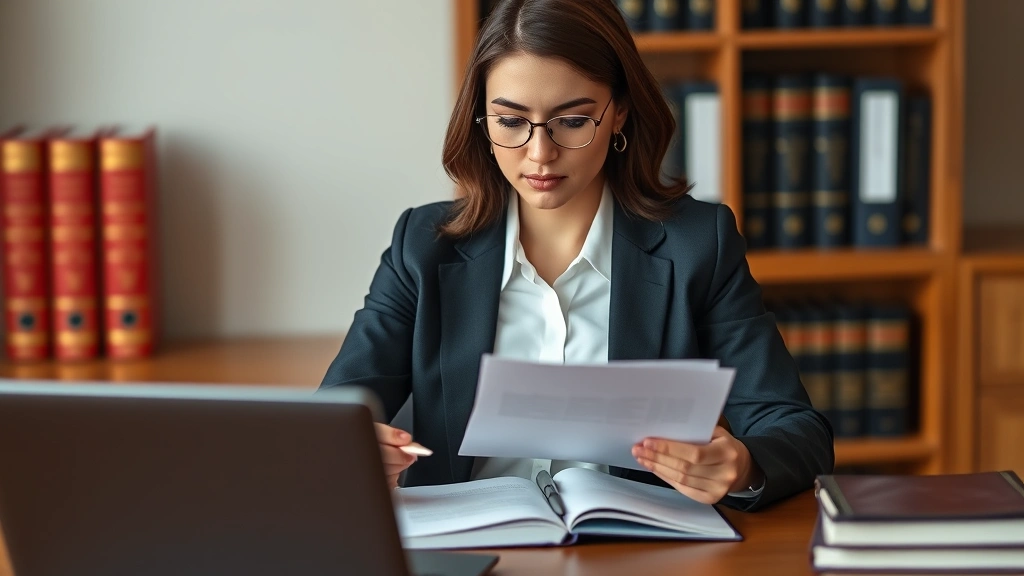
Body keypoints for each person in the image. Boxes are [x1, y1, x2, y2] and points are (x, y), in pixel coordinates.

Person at [320, 0, 833, 512]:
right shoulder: (424, 245)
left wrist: (741, 464)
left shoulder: (697, 245)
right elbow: (333, 416)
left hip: (634, 554)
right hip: (470, 551)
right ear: (482, 120)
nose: (539, 153)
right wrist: (349, 447)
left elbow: (797, 431)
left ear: (620, 113)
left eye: (572, 121)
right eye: (510, 121)